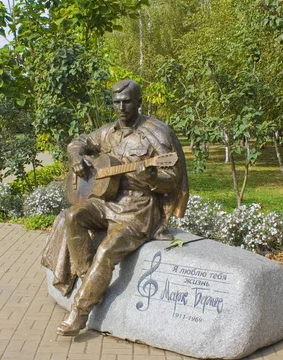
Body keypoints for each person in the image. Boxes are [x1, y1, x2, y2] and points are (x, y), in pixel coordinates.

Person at [41, 79, 188, 336]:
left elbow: (173, 180)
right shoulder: (107, 132)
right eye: (116, 102)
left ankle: (80, 310)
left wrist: (152, 178)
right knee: (73, 215)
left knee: (107, 249)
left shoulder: (157, 133)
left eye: (127, 102)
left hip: (137, 208)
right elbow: (79, 141)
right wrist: (76, 156)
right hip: (106, 201)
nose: (121, 107)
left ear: (139, 102)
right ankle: (89, 278)